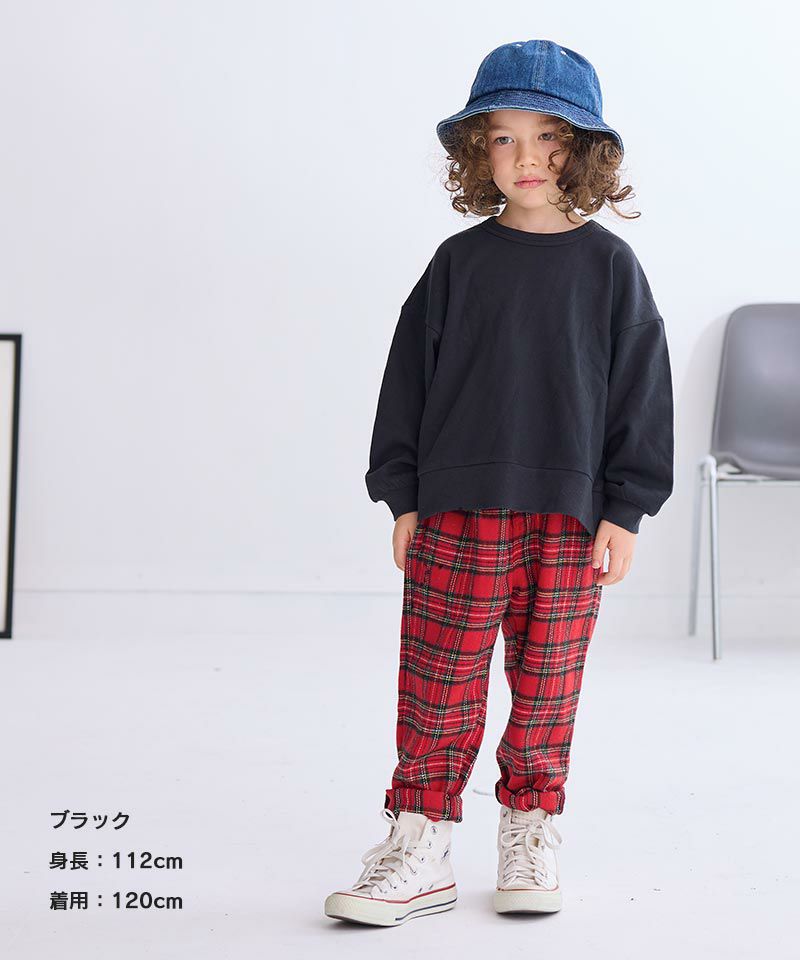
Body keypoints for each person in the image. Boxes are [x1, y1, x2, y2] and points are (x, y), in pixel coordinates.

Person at [324, 38, 674, 927]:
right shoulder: (458, 263)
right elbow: (406, 383)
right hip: (455, 510)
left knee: (549, 684)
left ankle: (530, 829)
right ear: (478, 151)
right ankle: (419, 842)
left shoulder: (611, 269)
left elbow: (640, 392)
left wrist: (626, 508)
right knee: (437, 682)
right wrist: (403, 496)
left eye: (549, 137)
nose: (527, 158)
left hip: (571, 518)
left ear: (584, 151)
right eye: (505, 138)